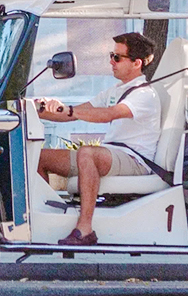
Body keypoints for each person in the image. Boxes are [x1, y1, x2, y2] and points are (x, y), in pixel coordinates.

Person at [33, 32, 161, 246]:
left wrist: (68, 109)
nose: (111, 62)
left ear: (137, 63)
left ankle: (85, 229)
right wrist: (38, 109)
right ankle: (45, 217)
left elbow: (108, 114)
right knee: (39, 157)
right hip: (111, 155)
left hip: (135, 159)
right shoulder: (115, 91)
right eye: (112, 55)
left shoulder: (145, 94)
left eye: (117, 57)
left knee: (87, 153)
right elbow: (72, 114)